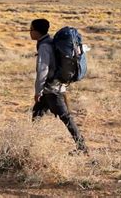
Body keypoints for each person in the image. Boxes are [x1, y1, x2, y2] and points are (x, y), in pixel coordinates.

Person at [30, 18, 88, 153]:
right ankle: (32, 144)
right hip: (53, 87)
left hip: (51, 90)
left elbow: (42, 69)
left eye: (31, 30)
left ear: (37, 32)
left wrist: (38, 91)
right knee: (36, 115)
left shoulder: (44, 46)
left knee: (66, 118)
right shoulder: (49, 42)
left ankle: (82, 147)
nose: (30, 33)